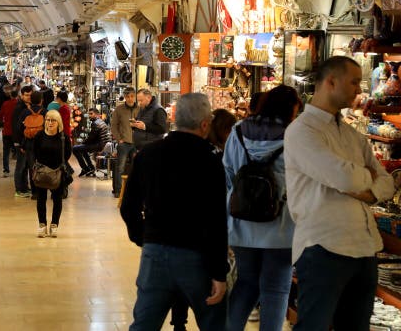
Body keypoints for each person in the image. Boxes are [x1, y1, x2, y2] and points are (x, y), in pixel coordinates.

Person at [284, 56, 395, 330]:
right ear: (331, 81)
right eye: (354, 82)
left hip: (365, 247)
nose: (359, 89)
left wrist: (365, 186)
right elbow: (344, 177)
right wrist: (362, 178)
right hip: (324, 246)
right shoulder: (301, 131)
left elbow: (387, 183)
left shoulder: (351, 135)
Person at [120, 93, 227, 331]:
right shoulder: (211, 160)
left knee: (144, 324)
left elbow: (129, 207)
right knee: (215, 322)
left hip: (155, 251)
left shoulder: (148, 154)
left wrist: (144, 237)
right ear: (205, 124)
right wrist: (219, 272)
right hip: (197, 255)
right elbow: (217, 219)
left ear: (173, 119)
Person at [223, 85, 301, 331]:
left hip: (241, 223)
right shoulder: (295, 136)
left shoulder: (237, 131)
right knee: (276, 289)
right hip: (281, 226)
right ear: (291, 108)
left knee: (246, 282)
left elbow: (227, 174)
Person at [31, 110, 71, 238]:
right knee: (41, 199)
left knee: (57, 199)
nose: (50, 123)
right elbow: (34, 151)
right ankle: (42, 225)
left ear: (58, 122)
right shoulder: (39, 136)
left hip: (57, 172)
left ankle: (54, 225)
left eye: (53, 120)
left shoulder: (63, 137)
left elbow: (67, 153)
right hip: (42, 171)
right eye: (48, 120)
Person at [110, 87, 138, 197]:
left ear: (134, 96)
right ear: (125, 97)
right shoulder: (119, 109)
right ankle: (118, 190)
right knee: (120, 168)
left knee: (136, 167)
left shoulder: (140, 109)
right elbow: (114, 126)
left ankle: (133, 190)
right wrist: (119, 139)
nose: (130, 99)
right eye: (127, 96)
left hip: (136, 142)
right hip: (124, 143)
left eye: (132, 96)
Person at [73, 107, 111, 177]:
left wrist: (83, 143)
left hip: (99, 145)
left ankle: (85, 168)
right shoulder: (101, 121)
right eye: (89, 114)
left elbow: (91, 137)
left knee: (75, 148)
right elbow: (93, 137)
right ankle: (90, 168)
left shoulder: (95, 123)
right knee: (83, 149)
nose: (90, 115)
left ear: (96, 114)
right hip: (102, 144)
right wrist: (85, 143)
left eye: (91, 114)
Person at [12, 86, 34, 196]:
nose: (29, 97)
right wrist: (18, 142)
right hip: (20, 142)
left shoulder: (29, 107)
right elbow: (16, 127)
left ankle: (25, 187)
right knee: (20, 166)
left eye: (30, 95)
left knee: (25, 166)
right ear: (22, 95)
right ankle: (19, 189)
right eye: (26, 95)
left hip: (26, 141)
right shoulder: (19, 108)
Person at [0, 88, 18, 177]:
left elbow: (0, 116)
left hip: (6, 131)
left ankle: (6, 170)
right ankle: (18, 170)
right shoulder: (19, 105)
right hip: (16, 132)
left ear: (10, 95)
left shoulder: (5, 104)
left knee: (6, 151)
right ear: (17, 96)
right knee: (19, 151)